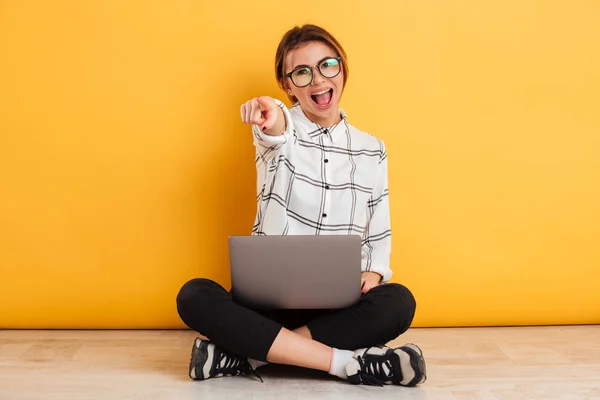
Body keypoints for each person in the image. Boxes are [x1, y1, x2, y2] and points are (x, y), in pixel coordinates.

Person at [176, 24, 427, 387]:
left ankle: (250, 354)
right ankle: (347, 364)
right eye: (302, 72)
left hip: (339, 302)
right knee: (194, 295)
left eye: (327, 65)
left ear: (341, 68)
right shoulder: (281, 133)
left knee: (399, 301)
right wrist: (270, 113)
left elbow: (378, 222)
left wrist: (372, 272)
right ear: (286, 84)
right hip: (268, 303)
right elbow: (274, 126)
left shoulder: (372, 148)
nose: (317, 80)